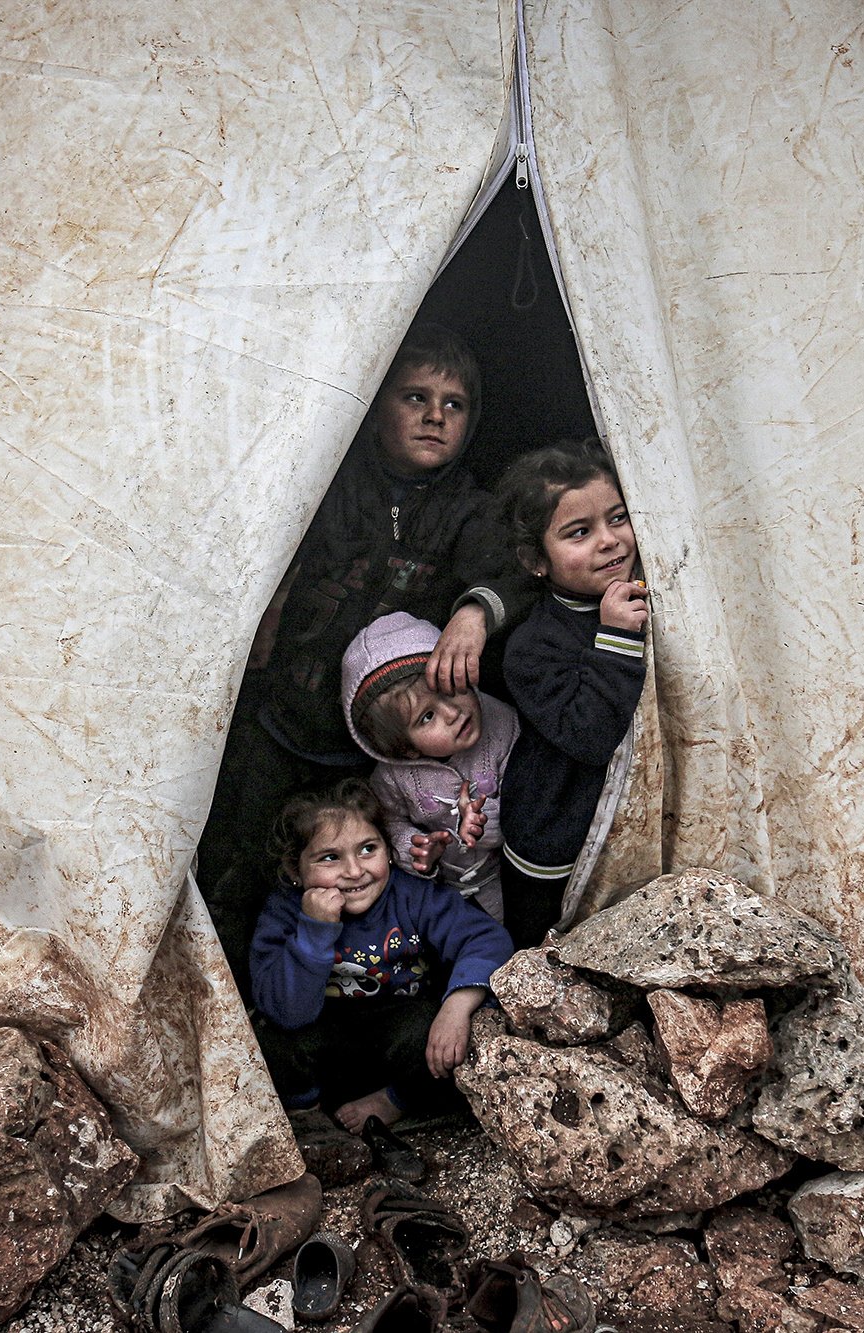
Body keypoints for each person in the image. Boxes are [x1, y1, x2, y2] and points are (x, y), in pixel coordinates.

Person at [195, 326, 534, 989]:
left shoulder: (468, 508)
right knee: (240, 862)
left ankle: (338, 1023)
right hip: (281, 719)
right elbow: (261, 536)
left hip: (375, 750)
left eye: (455, 404)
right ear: (374, 404)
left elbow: (514, 569)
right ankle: (229, 1003)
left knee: (355, 884)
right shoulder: (329, 476)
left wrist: (474, 610)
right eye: (415, 396)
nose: (435, 416)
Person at [248, 780, 513, 1132]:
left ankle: (395, 1100)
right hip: (320, 1037)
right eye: (330, 857)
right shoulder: (285, 911)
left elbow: (485, 938)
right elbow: (285, 1010)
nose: (355, 871)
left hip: (395, 1035)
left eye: (368, 849)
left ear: (388, 850)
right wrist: (314, 930)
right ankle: (307, 1117)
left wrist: (457, 1006)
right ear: (297, 871)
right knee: (266, 1033)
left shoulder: (411, 896)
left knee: (437, 1029)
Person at [494, 441, 649, 949]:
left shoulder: (656, 588)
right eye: (579, 533)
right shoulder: (530, 649)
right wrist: (618, 637)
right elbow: (589, 735)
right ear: (536, 560)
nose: (609, 542)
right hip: (553, 836)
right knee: (542, 951)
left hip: (628, 827)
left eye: (618, 518)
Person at [342, 611, 519, 921]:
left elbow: (532, 804)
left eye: (449, 688)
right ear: (406, 749)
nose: (452, 712)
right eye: (427, 717)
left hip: (508, 876)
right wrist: (415, 848)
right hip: (440, 890)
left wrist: (482, 820)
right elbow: (387, 822)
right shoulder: (393, 777)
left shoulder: (503, 726)